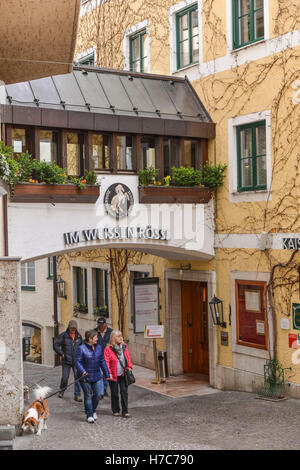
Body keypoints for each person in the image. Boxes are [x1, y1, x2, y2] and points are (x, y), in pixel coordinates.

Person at [75, 329, 112, 423]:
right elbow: (77, 362)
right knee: (88, 395)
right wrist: (82, 371)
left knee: (98, 395)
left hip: (97, 375)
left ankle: (93, 410)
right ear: (90, 339)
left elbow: (102, 361)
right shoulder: (81, 348)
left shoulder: (99, 347)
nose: (97, 339)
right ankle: (89, 415)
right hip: (85, 377)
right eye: (95, 337)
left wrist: (107, 374)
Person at [104, 330, 133, 418]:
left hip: (123, 373)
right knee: (115, 393)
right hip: (113, 374)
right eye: (118, 336)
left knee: (124, 392)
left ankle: (125, 411)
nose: (121, 338)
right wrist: (108, 373)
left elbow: (128, 357)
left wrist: (129, 366)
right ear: (113, 338)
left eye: (121, 336)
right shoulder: (108, 349)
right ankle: (115, 410)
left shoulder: (124, 346)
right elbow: (106, 362)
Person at [53, 319, 83, 402]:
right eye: (72, 328)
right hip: (66, 360)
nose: (73, 329)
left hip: (76, 361)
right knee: (65, 377)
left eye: (74, 328)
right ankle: (62, 390)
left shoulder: (79, 336)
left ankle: (77, 395)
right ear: (69, 327)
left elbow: (82, 347)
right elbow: (55, 345)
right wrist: (61, 353)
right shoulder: (63, 335)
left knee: (77, 378)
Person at [95, 317, 113, 397]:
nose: (101, 327)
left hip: (108, 357)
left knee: (106, 374)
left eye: (102, 325)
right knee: (100, 374)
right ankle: (101, 392)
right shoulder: (94, 332)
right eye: (99, 325)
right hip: (98, 357)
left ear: (105, 324)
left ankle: (104, 389)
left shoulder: (111, 332)